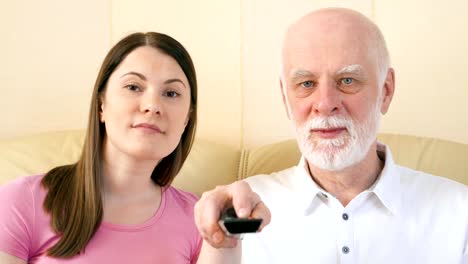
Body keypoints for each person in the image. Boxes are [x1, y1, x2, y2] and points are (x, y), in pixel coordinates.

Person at [195, 8, 468, 264]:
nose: (325, 103)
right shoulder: (240, 212)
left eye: (347, 80)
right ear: (285, 98)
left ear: (386, 91)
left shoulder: (459, 213)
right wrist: (220, 243)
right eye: (306, 84)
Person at [0, 32, 202, 263]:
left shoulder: (200, 220)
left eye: (171, 93)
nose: (152, 105)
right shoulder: (20, 201)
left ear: (187, 118)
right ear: (101, 105)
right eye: (134, 87)